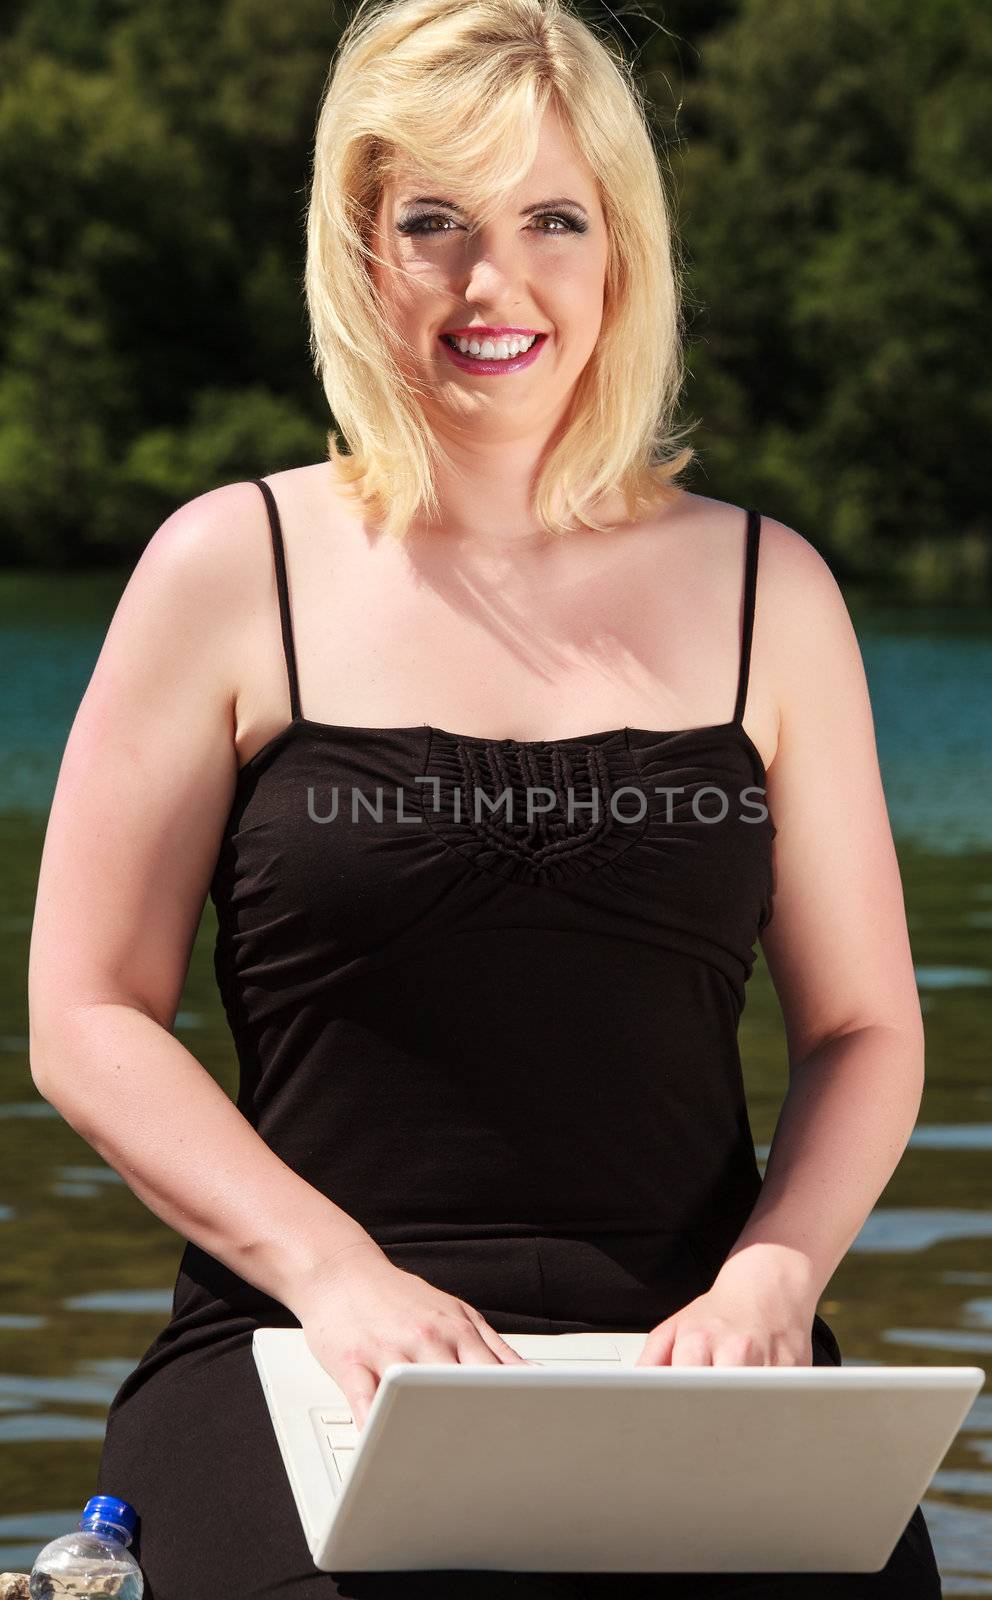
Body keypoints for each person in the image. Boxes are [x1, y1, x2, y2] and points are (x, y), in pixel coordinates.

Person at [26, 0, 943, 1594]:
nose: (492, 283)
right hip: (298, 1339)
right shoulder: (230, 568)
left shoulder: (766, 592)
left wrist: (772, 1282)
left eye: (552, 220)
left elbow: (866, 1028)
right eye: (433, 222)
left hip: (699, 1353)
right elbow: (88, 1015)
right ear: (358, 247)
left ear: (622, 253)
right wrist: (337, 1277)